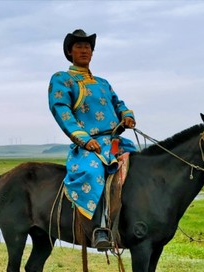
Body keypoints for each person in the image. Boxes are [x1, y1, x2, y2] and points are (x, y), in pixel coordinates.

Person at [48, 29, 137, 250]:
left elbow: (118, 103)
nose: (84, 50)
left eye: (87, 46)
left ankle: (133, 221)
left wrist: (126, 115)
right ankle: (99, 229)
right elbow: (62, 110)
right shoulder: (62, 79)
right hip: (89, 145)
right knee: (92, 172)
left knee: (139, 168)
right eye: (79, 46)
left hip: (115, 141)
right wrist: (84, 139)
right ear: (70, 52)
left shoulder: (103, 82)